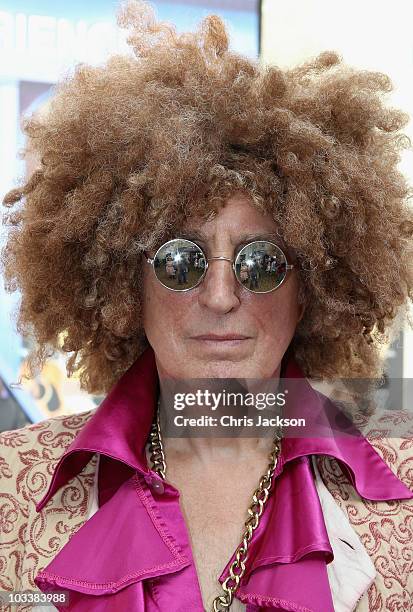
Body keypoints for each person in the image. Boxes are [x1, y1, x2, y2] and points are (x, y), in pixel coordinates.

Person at [0, 1, 412, 610]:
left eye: (262, 264)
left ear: (311, 291)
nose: (220, 297)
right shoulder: (11, 489)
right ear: (124, 285)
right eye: (180, 262)